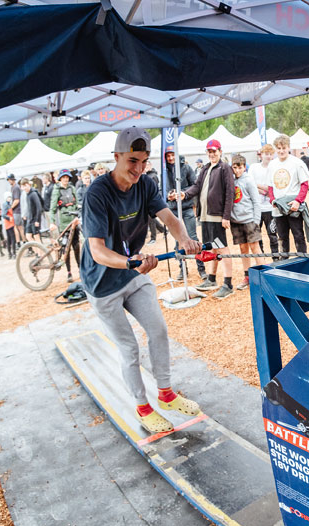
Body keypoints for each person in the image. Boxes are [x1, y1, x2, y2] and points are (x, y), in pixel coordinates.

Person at [80, 127, 203, 434]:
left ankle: (166, 394)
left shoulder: (145, 183)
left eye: (144, 161)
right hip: (102, 283)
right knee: (129, 347)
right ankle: (143, 407)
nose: (138, 168)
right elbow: (97, 251)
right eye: (132, 161)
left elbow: (170, 218)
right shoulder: (97, 193)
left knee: (158, 330)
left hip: (132, 272)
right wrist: (130, 262)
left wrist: (185, 240)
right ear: (117, 157)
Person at [186, 139, 235, 299]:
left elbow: (230, 192)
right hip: (205, 215)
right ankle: (212, 279)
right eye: (209, 151)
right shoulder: (205, 168)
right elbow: (197, 186)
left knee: (222, 247)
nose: (212, 154)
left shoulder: (224, 168)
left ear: (220, 151)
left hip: (217, 215)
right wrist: (184, 194)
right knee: (212, 247)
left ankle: (228, 284)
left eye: (214, 151)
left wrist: (226, 216)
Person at [163, 146, 205, 281]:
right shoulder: (163, 171)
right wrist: (168, 195)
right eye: (168, 156)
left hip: (186, 208)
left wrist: (183, 193)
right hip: (172, 210)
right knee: (178, 240)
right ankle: (182, 269)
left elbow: (195, 185)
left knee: (193, 237)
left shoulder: (186, 168)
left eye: (172, 155)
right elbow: (160, 190)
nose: (170, 158)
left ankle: (201, 269)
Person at [267, 134, 309, 256]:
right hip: (278, 207)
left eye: (284, 148)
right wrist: (272, 200)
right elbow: (270, 186)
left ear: (288, 147)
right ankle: (284, 261)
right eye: (279, 148)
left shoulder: (297, 163)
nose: (281, 151)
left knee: (298, 235)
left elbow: (304, 184)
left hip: (293, 206)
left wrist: (298, 201)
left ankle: (303, 260)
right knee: (282, 237)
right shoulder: (272, 165)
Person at [228, 154, 265, 290]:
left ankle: (263, 275)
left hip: (249, 220)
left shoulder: (249, 180)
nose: (237, 170)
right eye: (235, 167)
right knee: (243, 249)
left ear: (244, 167)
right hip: (236, 221)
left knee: (255, 247)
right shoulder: (231, 180)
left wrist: (256, 221)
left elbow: (256, 201)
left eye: (240, 167)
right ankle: (247, 276)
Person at [50, 169, 82, 282]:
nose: (65, 179)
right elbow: (53, 208)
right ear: (60, 178)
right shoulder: (57, 190)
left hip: (74, 221)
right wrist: (52, 222)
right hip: (64, 224)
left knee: (76, 247)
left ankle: (80, 269)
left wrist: (79, 213)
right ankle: (69, 272)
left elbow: (77, 203)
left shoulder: (72, 188)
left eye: (67, 177)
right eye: (63, 177)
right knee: (66, 249)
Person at [251, 144, 280, 260]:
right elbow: (250, 184)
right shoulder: (254, 167)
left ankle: (275, 258)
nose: (268, 156)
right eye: (266, 154)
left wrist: (259, 187)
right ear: (261, 155)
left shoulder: (275, 168)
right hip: (256, 208)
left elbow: (274, 187)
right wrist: (264, 190)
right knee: (257, 236)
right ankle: (261, 259)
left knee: (272, 234)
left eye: (270, 154)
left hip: (270, 208)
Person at [2, 194, 17, 259]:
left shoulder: (8, 204)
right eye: (8, 197)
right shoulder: (6, 204)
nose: (9, 198)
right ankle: (13, 253)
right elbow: (3, 214)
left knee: (9, 238)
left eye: (10, 197)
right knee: (12, 238)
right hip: (9, 223)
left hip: (9, 223)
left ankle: (10, 253)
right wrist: (9, 218)